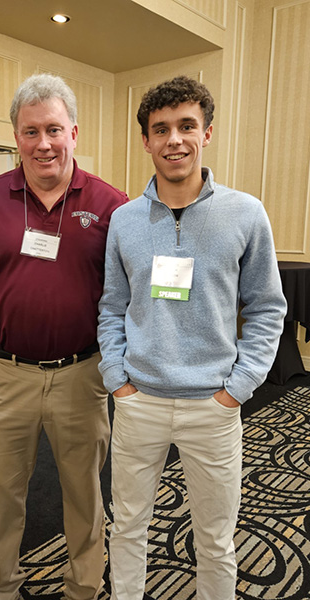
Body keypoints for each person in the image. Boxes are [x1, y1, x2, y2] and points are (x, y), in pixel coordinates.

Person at [0, 73, 127, 600]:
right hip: (6, 375)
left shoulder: (111, 205)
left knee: (85, 495)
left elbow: (136, 289)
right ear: (15, 136)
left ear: (74, 133)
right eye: (31, 131)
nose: (44, 144)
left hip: (83, 377)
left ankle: (85, 587)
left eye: (54, 130)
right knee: (4, 495)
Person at [97, 76, 287, 600]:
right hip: (140, 402)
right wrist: (117, 379)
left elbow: (269, 307)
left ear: (206, 133)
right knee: (128, 528)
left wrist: (238, 389)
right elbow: (112, 305)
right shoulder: (123, 221)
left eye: (187, 126)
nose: (174, 140)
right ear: (146, 141)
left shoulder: (245, 213)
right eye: (161, 130)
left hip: (214, 405)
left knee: (216, 539)